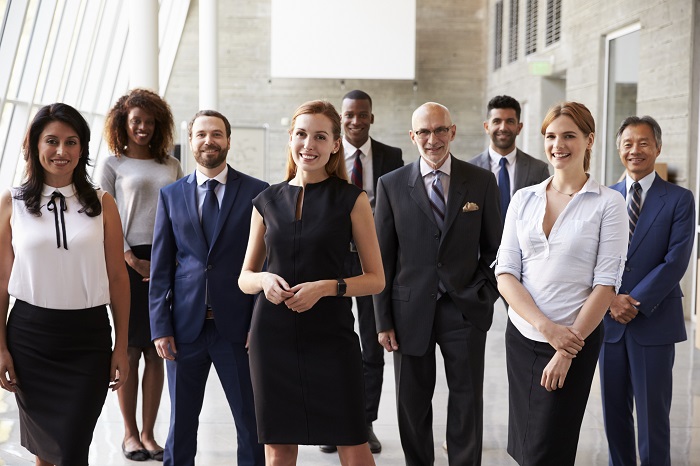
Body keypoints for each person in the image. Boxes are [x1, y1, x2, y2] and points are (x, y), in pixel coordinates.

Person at [239, 100, 384, 466]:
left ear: (335, 144)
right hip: (273, 337)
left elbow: (376, 279)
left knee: (353, 443)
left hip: (332, 337)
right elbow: (244, 278)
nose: (309, 144)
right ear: (290, 138)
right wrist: (264, 279)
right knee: (278, 448)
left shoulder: (352, 199)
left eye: (320, 136)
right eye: (302, 134)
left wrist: (325, 287)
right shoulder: (266, 201)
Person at [495, 101, 628, 465]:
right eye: (551, 136)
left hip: (575, 340)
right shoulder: (524, 198)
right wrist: (544, 326)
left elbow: (606, 284)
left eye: (569, 135)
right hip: (523, 337)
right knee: (523, 445)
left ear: (589, 140)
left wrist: (565, 347)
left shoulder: (608, 203)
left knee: (549, 447)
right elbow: (504, 271)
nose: (558, 144)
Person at [0, 103, 130, 466]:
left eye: (71, 142)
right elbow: (0, 281)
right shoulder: (13, 203)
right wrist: (0, 347)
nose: (61, 151)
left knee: (72, 449)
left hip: (87, 340)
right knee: (45, 451)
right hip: (29, 339)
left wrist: (121, 347)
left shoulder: (103, 204)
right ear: (34, 147)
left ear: (83, 149)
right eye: (52, 141)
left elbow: (119, 278)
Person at [373, 102, 502, 465]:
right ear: (412, 136)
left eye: (440, 130)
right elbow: (383, 258)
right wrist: (383, 321)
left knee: (467, 399)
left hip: (464, 309)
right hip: (408, 311)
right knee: (411, 402)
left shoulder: (480, 181)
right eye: (425, 132)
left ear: (454, 131)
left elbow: (496, 250)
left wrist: (484, 295)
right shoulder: (391, 184)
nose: (433, 139)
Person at [149, 110, 266, 466]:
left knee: (250, 422)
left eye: (216, 134)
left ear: (228, 141)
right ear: (190, 140)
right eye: (201, 134)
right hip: (185, 329)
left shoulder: (257, 192)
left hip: (237, 329)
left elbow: (266, 263)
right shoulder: (170, 195)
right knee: (181, 422)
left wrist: (257, 324)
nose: (208, 141)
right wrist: (160, 327)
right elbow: (161, 268)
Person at [600, 116, 695, 466]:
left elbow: (675, 261)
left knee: (654, 416)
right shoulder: (604, 197)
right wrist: (609, 299)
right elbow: (591, 257)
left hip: (653, 322)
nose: (635, 150)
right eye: (628, 143)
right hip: (608, 323)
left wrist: (633, 302)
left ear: (657, 147)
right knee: (614, 415)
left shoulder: (680, 199)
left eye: (643, 143)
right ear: (618, 148)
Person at [99, 88, 183, 462]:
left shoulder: (171, 165)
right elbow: (103, 218)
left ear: (158, 124)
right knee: (130, 349)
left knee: (157, 349)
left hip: (167, 261)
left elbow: (181, 216)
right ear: (124, 123)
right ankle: (129, 434)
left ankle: (150, 434)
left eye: (149, 122)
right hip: (126, 260)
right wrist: (131, 260)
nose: (143, 128)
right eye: (136, 121)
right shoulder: (113, 164)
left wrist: (170, 262)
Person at [319, 90, 403, 455]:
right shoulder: (329, 153)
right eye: (349, 115)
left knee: (372, 344)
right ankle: (329, 423)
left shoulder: (392, 157)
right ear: (341, 119)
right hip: (333, 259)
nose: (356, 121)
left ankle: (364, 422)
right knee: (330, 343)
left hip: (372, 260)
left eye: (362, 114)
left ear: (372, 117)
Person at [469, 95, 550, 224]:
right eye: (496, 121)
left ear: (519, 127)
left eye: (510, 121)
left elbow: (545, 216)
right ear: (486, 127)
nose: (503, 127)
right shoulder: (469, 170)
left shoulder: (538, 169)